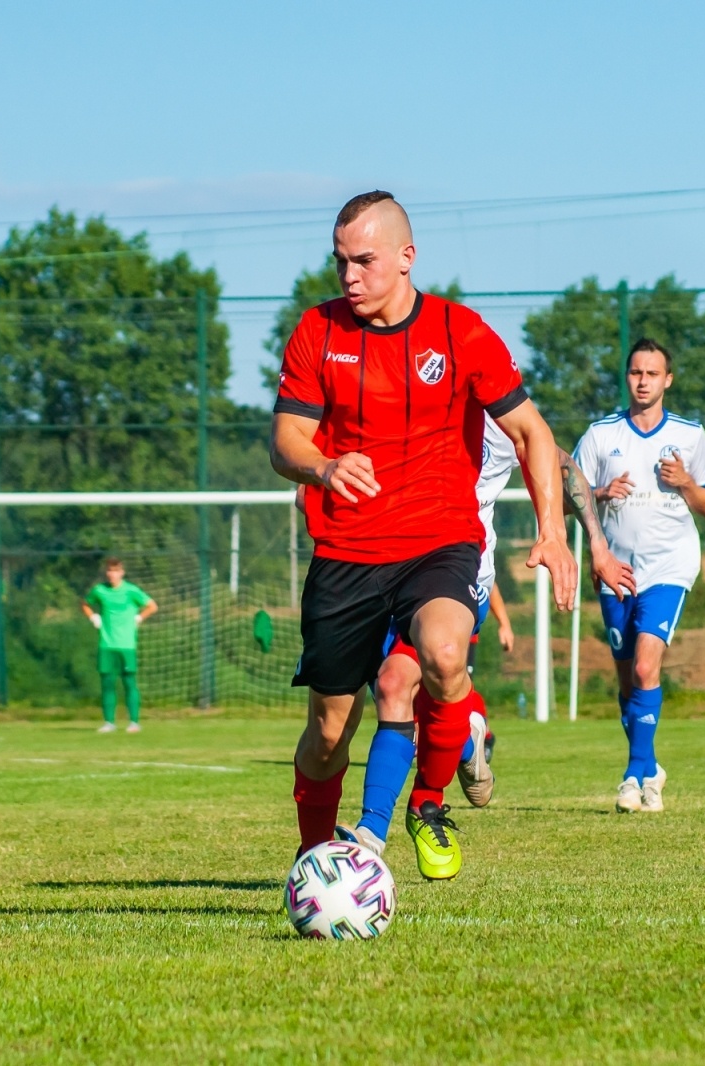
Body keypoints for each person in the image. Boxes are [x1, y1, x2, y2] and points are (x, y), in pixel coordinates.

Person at [271, 189, 576, 881]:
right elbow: (284, 438)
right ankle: (314, 857)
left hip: (438, 543)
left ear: (406, 258)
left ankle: (427, 802)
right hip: (346, 551)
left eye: (365, 261)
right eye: (340, 262)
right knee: (327, 733)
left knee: (439, 656)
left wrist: (553, 533)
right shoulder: (317, 332)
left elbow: (532, 430)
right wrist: (322, 465)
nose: (349, 276)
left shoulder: (460, 332)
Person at [340, 420, 635, 856]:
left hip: (458, 575)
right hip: (380, 570)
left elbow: (560, 463)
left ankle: (372, 835)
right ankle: (465, 736)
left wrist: (597, 543)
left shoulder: (497, 412)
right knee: (407, 707)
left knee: (394, 683)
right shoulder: (395, 395)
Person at [573, 338, 705, 813]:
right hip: (615, 567)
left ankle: (634, 778)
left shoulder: (690, 435)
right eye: (636, 373)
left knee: (644, 667)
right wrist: (600, 491)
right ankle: (648, 765)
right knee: (626, 681)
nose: (643, 381)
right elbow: (565, 493)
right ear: (628, 377)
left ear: (667, 380)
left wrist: (686, 483)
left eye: (652, 374)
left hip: (669, 565)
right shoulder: (601, 435)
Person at [82, 558, 158, 733]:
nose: (112, 574)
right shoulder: (99, 590)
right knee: (107, 683)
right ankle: (109, 722)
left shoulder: (131, 591)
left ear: (122, 572)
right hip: (107, 644)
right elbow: (85, 604)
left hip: (126, 645)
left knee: (129, 682)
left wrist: (139, 617)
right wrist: (93, 616)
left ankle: (134, 722)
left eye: (115, 570)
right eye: (109, 570)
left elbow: (152, 606)